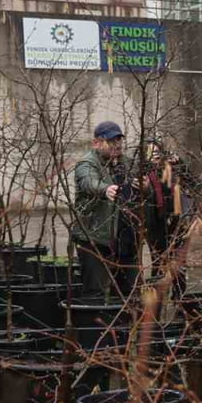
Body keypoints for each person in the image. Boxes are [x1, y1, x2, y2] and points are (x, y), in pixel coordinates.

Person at [71, 121, 138, 299]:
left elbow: (141, 187)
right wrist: (104, 189)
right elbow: (88, 182)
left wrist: (145, 187)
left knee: (129, 292)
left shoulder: (125, 163)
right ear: (97, 143)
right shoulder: (87, 163)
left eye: (118, 141)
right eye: (111, 141)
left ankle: (124, 325)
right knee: (95, 292)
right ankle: (95, 324)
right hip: (94, 238)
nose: (116, 145)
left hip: (123, 237)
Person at [143, 140, 191, 299]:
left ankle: (179, 301)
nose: (154, 155)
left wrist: (180, 163)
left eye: (157, 151)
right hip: (154, 225)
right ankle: (155, 301)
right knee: (157, 264)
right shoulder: (144, 173)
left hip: (174, 224)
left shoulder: (169, 170)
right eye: (151, 152)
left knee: (178, 265)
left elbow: (190, 181)